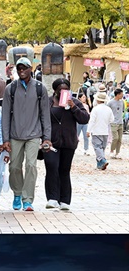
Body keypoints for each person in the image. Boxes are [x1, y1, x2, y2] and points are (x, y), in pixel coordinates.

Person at [1, 57, 53, 212]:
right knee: (14, 167)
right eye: (19, 68)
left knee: (31, 166)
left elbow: (45, 114)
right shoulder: (11, 88)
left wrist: (47, 137)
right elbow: (5, 115)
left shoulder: (39, 88)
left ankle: (28, 199)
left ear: (31, 68)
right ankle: (17, 193)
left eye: (25, 68)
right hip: (15, 134)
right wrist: (5, 139)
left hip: (34, 134)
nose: (22, 71)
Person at [49, 79, 91, 210]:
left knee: (64, 170)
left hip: (68, 142)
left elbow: (84, 119)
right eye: (60, 89)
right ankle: (52, 198)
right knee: (52, 167)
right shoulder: (48, 102)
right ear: (54, 90)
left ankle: (65, 200)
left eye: (65, 89)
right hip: (51, 142)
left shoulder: (75, 102)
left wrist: (73, 106)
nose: (62, 92)